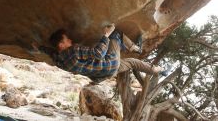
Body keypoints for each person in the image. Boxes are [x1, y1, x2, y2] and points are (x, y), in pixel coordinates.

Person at [34, 24, 169, 81]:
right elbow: (99, 53)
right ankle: (136, 48)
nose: (70, 39)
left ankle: (159, 71)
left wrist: (39, 47)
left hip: (106, 74)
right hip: (110, 62)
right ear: (61, 45)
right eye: (66, 39)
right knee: (116, 34)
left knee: (133, 63)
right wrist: (106, 35)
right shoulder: (74, 50)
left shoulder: (59, 61)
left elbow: (50, 52)